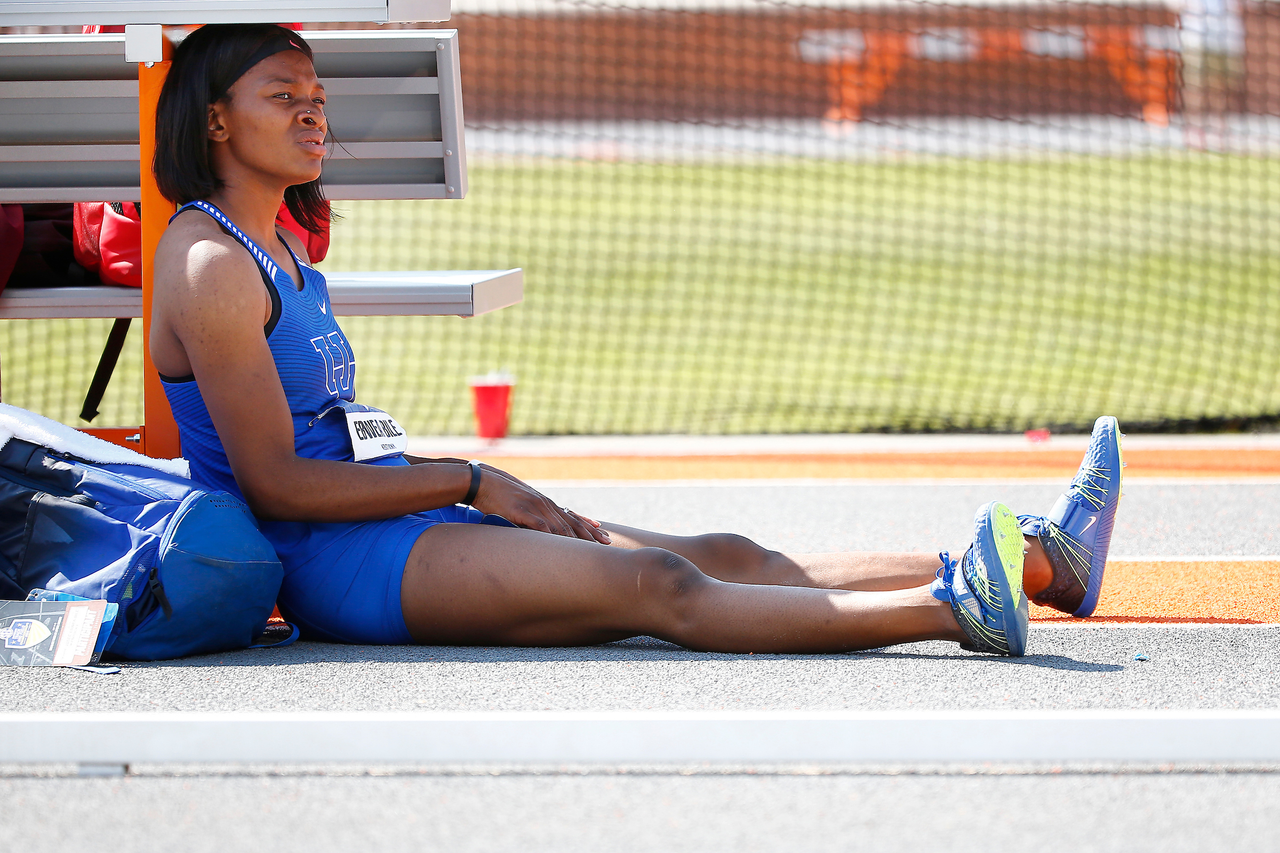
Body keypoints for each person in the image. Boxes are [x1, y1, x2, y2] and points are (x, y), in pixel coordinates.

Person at [149, 24, 1123, 657]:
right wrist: (469, 478)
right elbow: (277, 483)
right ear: (216, 119)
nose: (314, 110)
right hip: (331, 558)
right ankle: (958, 607)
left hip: (392, 513)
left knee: (730, 550)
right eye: (284, 95)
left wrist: (455, 482)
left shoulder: (279, 242)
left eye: (316, 92)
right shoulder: (209, 262)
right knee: (657, 586)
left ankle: (1040, 565)